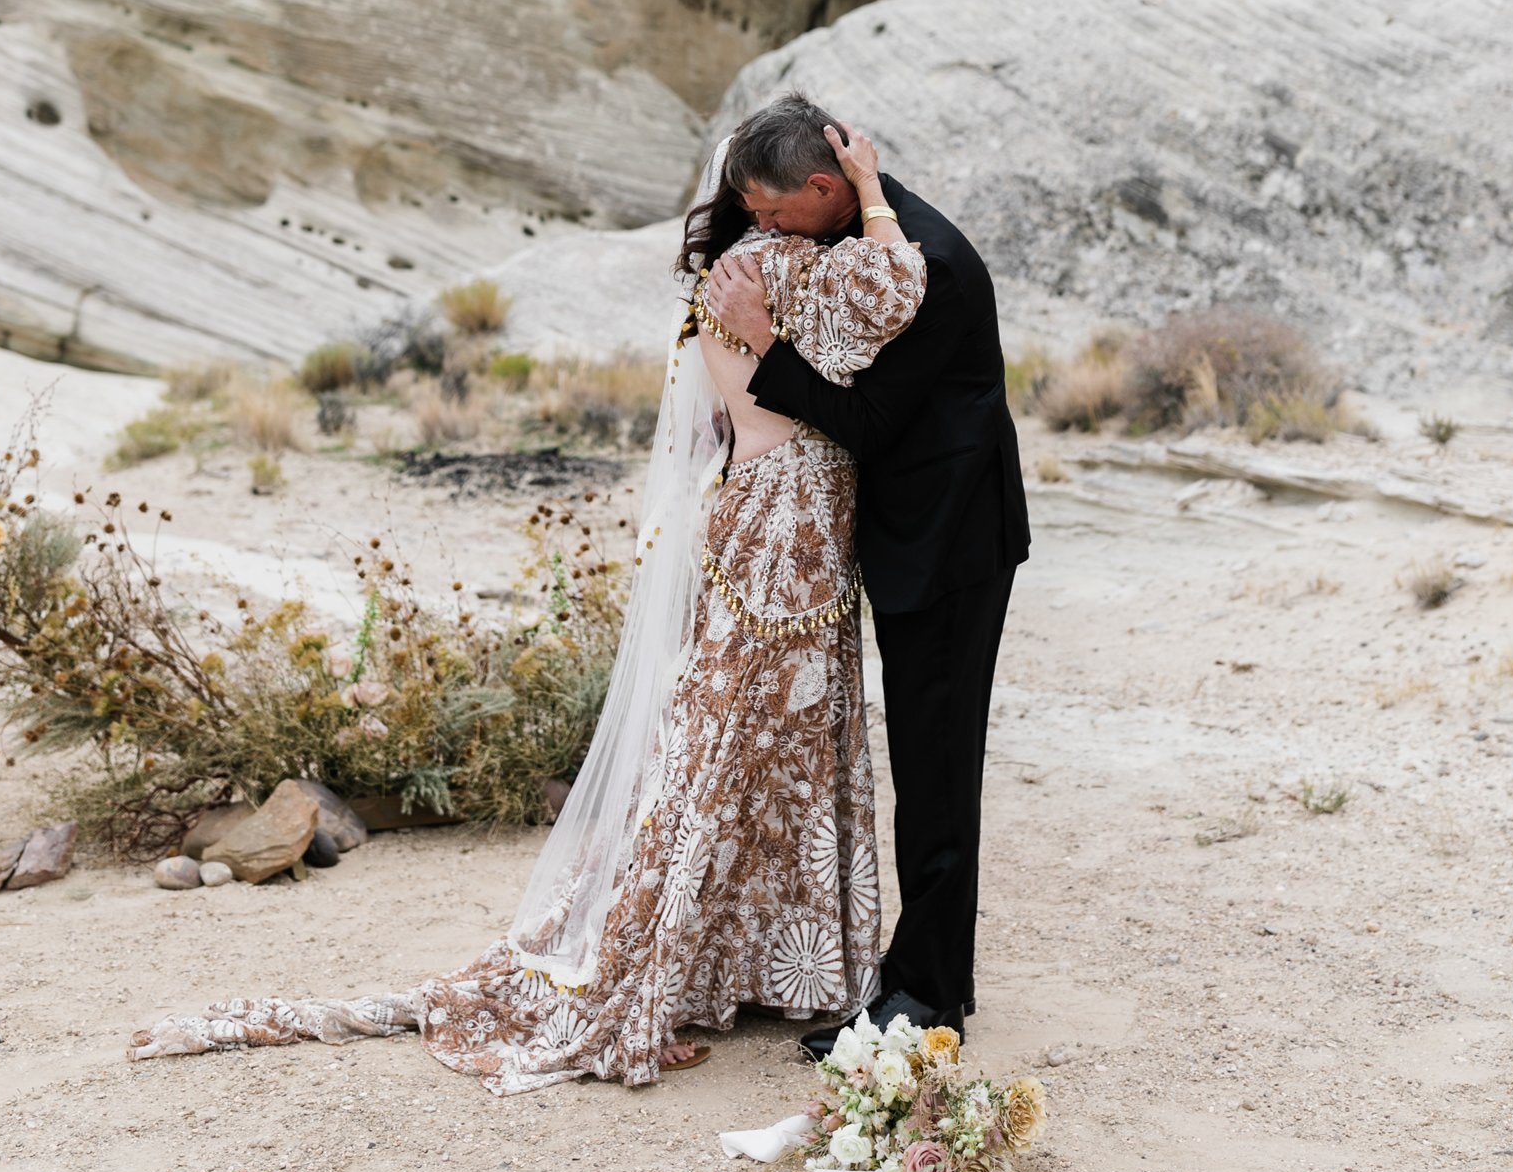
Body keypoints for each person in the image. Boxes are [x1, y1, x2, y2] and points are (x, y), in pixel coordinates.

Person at [129, 113, 923, 1091]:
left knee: (738, 744)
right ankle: (659, 963)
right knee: (752, 749)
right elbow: (899, 286)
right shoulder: (786, 268)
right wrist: (875, 189)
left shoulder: (728, 266)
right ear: (787, 192)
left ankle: (717, 958)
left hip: (745, 510)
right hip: (788, 527)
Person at [702, 92, 1028, 1054]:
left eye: (771, 211)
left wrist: (763, 340)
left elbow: (873, 420)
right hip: (906, 535)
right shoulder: (854, 229)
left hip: (950, 545)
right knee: (923, 765)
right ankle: (924, 981)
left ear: (821, 185)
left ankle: (924, 1000)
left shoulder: (928, 264)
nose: (761, 227)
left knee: (936, 768)